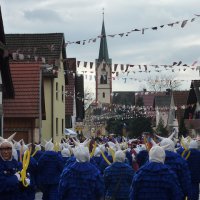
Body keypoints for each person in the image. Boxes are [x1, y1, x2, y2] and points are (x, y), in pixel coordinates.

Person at [0, 133, 29, 200]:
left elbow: (22, 185)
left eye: (8, 149)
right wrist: (16, 177)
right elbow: (2, 185)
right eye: (3, 149)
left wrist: (25, 182)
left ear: (12, 150)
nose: (6, 152)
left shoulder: (17, 164)